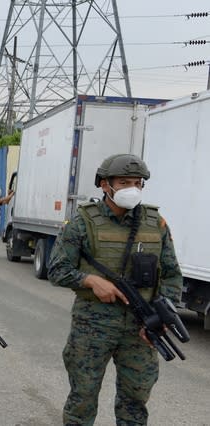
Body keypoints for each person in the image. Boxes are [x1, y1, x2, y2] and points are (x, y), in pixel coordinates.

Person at [47, 153, 182, 425]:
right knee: (82, 399)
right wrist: (90, 281)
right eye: (124, 182)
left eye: (137, 182)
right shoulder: (82, 223)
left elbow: (171, 274)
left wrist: (162, 316)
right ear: (105, 184)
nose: (132, 188)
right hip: (93, 327)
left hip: (141, 330)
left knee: (136, 401)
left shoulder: (156, 223)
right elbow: (57, 270)